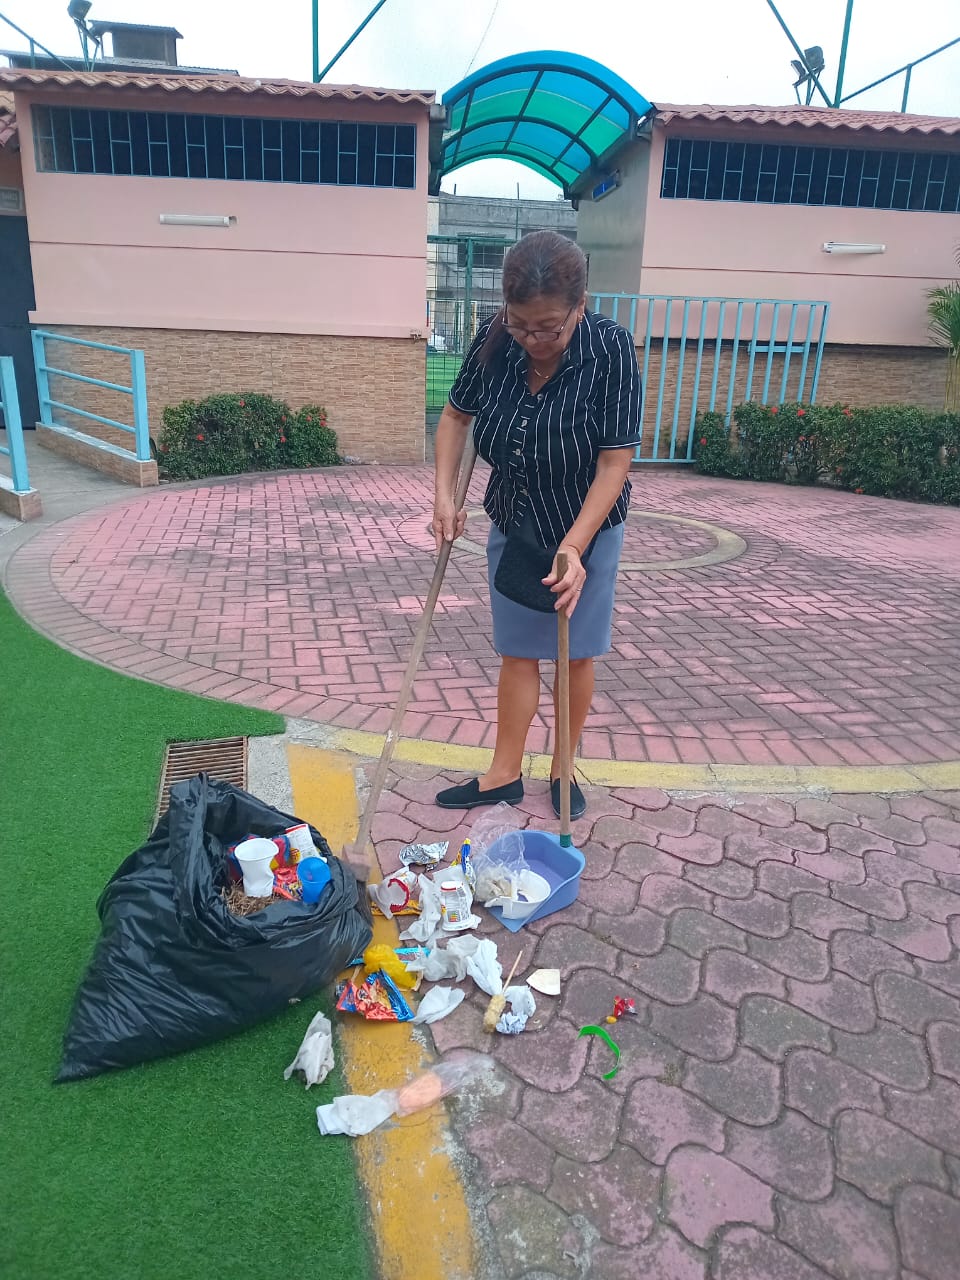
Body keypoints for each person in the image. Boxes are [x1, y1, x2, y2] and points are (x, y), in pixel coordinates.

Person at [431, 230, 641, 819]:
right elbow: (456, 417)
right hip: (516, 514)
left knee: (575, 654)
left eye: (549, 327)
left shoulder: (611, 348)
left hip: (586, 524)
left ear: (580, 305)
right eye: (521, 325)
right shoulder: (493, 338)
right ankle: (503, 774)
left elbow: (614, 462)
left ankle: (561, 767)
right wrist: (444, 497)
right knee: (519, 650)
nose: (533, 339)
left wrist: (575, 546)